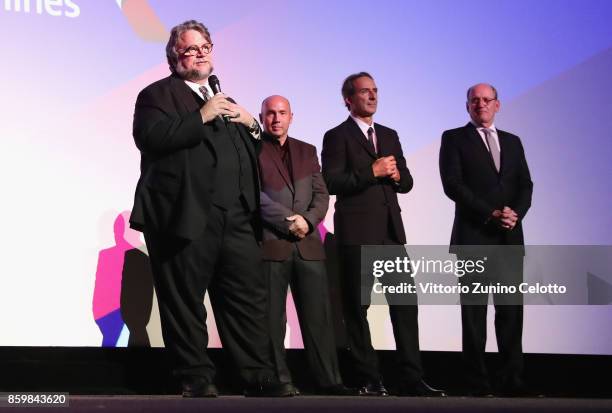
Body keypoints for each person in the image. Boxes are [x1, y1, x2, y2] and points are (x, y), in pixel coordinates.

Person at [129, 20, 292, 397]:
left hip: (236, 217)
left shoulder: (226, 101)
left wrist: (253, 127)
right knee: (185, 300)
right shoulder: (157, 95)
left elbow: (247, 154)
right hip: (184, 215)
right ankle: (195, 376)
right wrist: (201, 115)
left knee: (246, 299)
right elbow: (150, 138)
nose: (200, 54)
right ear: (174, 57)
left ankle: (257, 375)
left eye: (205, 47)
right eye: (190, 49)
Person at [321, 72, 445, 397]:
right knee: (357, 309)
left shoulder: (389, 134)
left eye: (375, 91)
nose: (372, 96)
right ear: (348, 99)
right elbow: (332, 182)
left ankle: (411, 378)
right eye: (365, 92)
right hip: (357, 234)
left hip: (391, 234)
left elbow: (407, 183)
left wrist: (397, 174)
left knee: (405, 306)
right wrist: (370, 172)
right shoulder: (337, 136)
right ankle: (369, 378)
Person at [439, 83, 533, 396]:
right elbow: (453, 185)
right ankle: (476, 383)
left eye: (486, 100)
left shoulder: (513, 142)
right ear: (467, 106)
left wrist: (514, 214)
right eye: (474, 100)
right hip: (474, 237)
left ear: (497, 105)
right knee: (474, 315)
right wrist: (491, 213)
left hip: (509, 238)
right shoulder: (454, 138)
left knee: (510, 314)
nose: (480, 104)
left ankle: (512, 382)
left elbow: (525, 185)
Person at [257, 95, 356, 395]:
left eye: (281, 113)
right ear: (262, 118)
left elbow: (321, 195)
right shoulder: (251, 149)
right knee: (273, 320)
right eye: (270, 114)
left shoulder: (307, 150)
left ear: (291, 116)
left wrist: (308, 221)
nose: (276, 118)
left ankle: (329, 381)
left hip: (309, 245)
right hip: (272, 244)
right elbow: (253, 195)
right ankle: (280, 379)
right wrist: (289, 221)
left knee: (319, 319)